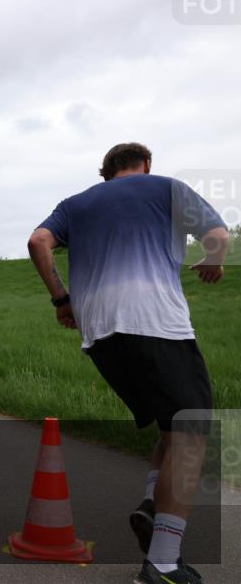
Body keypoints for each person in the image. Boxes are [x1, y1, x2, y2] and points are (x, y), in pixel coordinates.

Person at [26, 143, 228, 584]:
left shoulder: (75, 203)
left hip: (99, 332)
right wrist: (214, 261)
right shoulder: (167, 188)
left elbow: (38, 241)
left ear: (106, 171)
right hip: (155, 322)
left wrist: (62, 299)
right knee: (193, 432)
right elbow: (218, 234)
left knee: (172, 428)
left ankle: (153, 506)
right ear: (146, 165)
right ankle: (163, 563)